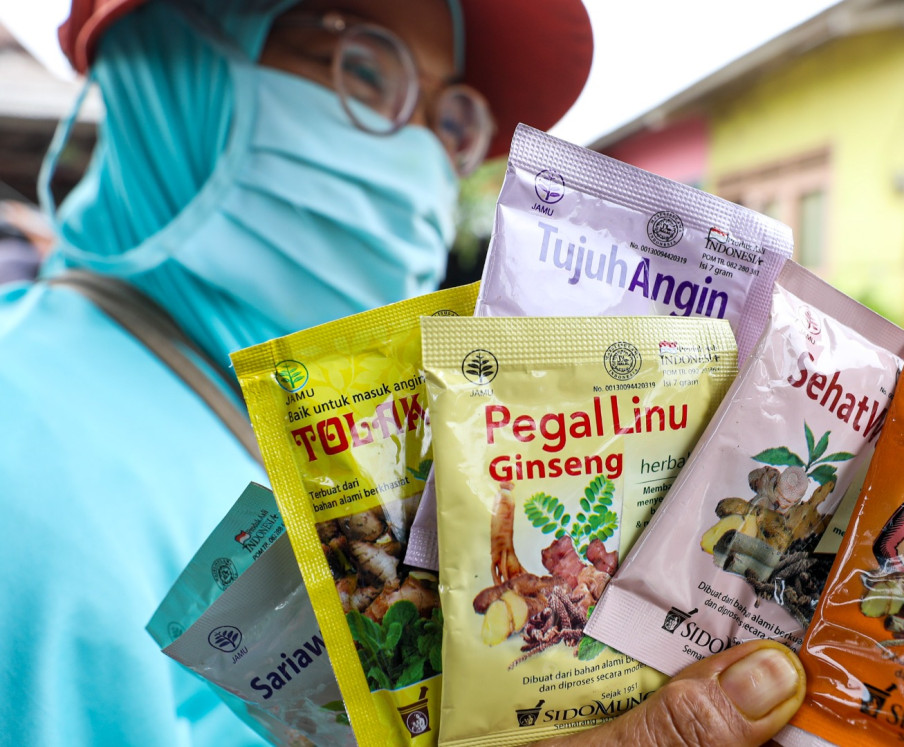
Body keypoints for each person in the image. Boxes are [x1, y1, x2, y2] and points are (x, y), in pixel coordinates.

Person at [0, 1, 805, 745]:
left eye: (449, 120)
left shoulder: (370, 442)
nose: (421, 151)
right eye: (360, 67)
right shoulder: (27, 445)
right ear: (162, 63)